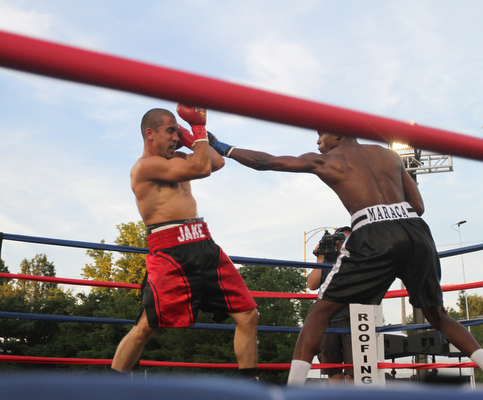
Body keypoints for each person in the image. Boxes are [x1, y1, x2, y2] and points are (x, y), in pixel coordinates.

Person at [207, 130, 483, 385]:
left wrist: (221, 146)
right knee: (438, 316)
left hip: (373, 232)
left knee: (318, 313)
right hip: (417, 233)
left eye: (320, 135)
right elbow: (418, 207)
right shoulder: (389, 155)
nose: (317, 143)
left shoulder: (328, 161)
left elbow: (264, 161)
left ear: (336, 134)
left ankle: (293, 390)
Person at [110, 106, 259, 380]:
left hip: (204, 243)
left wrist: (190, 134)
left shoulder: (179, 158)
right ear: (150, 134)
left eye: (177, 132)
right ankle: (112, 388)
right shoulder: (144, 167)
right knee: (146, 326)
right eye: (171, 131)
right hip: (170, 251)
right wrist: (200, 129)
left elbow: (217, 162)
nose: (176, 138)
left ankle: (251, 387)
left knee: (248, 315)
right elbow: (202, 167)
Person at [307, 227, 353, 383]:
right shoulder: (326, 260)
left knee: (353, 368)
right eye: (340, 238)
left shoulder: (357, 259)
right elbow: (312, 284)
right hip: (328, 319)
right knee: (332, 368)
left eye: (347, 238)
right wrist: (320, 258)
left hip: (352, 318)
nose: (343, 242)